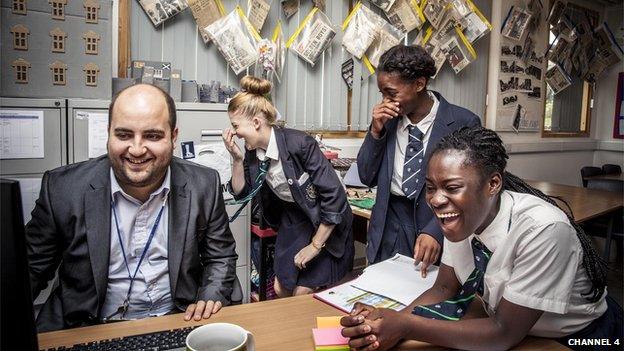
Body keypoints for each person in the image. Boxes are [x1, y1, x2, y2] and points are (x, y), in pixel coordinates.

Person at [341, 126, 622, 351]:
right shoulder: (461, 218)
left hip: (582, 338)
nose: (436, 200)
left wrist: (405, 326)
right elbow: (444, 290)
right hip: (517, 332)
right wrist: (390, 320)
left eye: (452, 187)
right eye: (430, 188)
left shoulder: (543, 230)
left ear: (493, 184)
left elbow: (504, 333)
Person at [26, 84, 240, 332]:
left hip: (177, 322)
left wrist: (209, 296)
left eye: (152, 136)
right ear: (109, 133)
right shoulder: (64, 189)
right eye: (124, 135)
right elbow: (29, 270)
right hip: (90, 327)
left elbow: (220, 256)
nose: (137, 150)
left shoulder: (203, 184)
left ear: (173, 136)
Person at [223, 76, 354, 297]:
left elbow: (335, 197)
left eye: (236, 126)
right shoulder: (252, 153)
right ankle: (289, 327)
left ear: (256, 123)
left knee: (302, 292)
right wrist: (236, 159)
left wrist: (315, 245)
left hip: (326, 221)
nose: (234, 132)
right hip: (295, 220)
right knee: (280, 287)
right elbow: (242, 192)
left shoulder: (300, 144)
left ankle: (304, 328)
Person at [357, 44, 480, 275]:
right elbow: (366, 176)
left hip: (439, 223)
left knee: (427, 299)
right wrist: (375, 132)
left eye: (391, 93)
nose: (385, 101)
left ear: (419, 84)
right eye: (382, 93)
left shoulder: (464, 122)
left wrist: (435, 229)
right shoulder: (387, 121)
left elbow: (472, 190)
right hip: (390, 225)